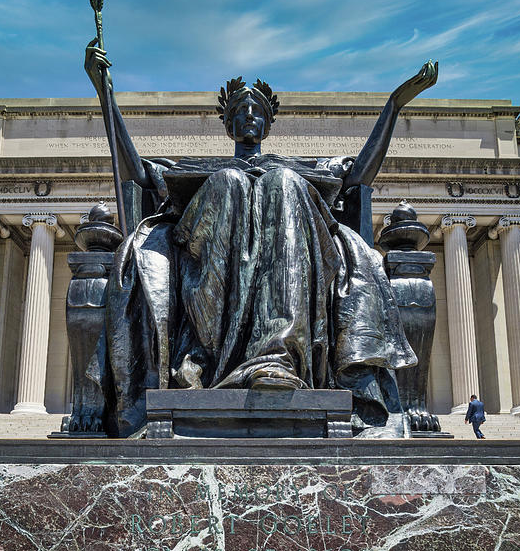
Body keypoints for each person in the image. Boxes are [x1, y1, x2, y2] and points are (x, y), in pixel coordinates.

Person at [84, 42, 438, 438]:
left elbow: (358, 179)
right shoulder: (205, 169)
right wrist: (106, 96)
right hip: (209, 270)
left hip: (290, 258)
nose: (249, 117)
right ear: (228, 124)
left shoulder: (298, 169)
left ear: (268, 125)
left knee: (283, 183)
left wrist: (394, 105)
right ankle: (202, 357)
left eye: (257, 112)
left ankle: (276, 358)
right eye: (240, 112)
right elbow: (137, 172)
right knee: (228, 183)